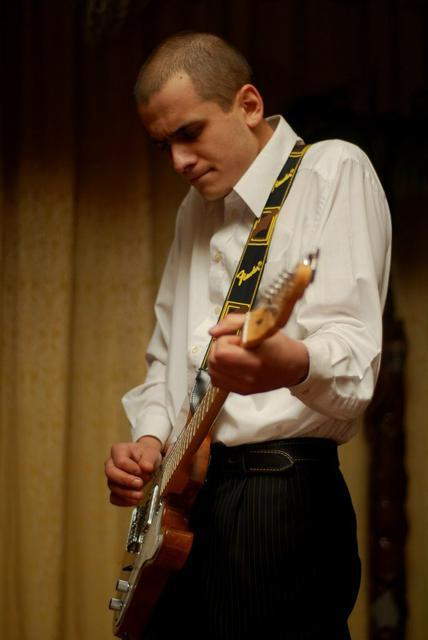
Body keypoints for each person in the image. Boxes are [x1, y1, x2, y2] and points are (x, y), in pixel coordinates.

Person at [105, 32, 391, 639]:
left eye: (190, 132)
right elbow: (165, 360)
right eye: (164, 145)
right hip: (195, 499)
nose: (179, 161)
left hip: (280, 493)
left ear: (250, 105)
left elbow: (354, 360)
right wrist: (150, 440)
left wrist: (289, 362)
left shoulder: (332, 170)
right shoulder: (193, 212)